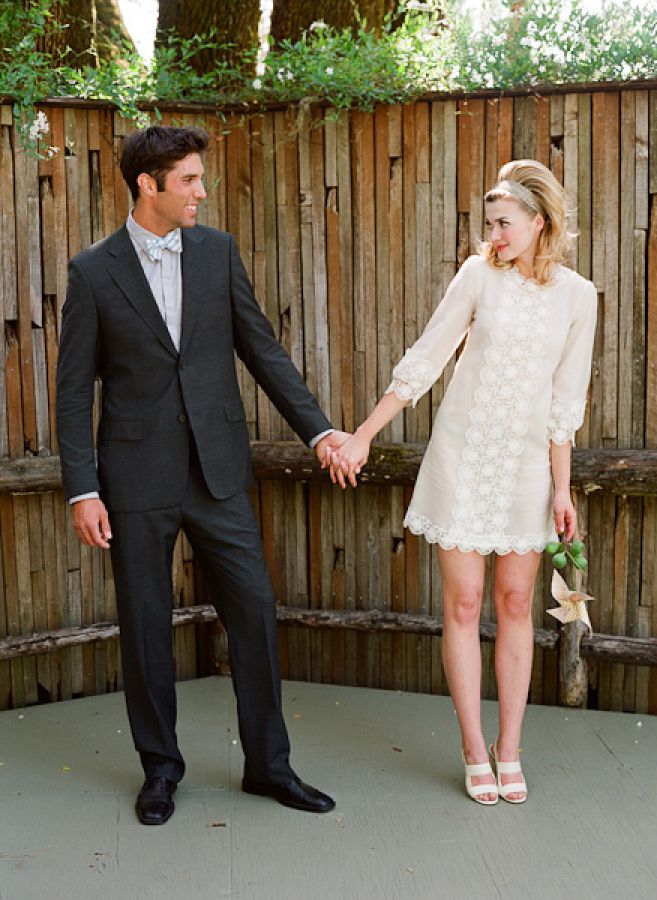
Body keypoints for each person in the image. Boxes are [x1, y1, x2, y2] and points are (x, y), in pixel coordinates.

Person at [56, 125, 350, 825]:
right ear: (147, 185)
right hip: (133, 478)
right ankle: (160, 771)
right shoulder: (93, 271)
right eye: (187, 179)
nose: (201, 191)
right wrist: (82, 486)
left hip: (217, 472)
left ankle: (269, 769)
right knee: (147, 627)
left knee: (252, 611)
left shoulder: (217, 253)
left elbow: (261, 349)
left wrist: (320, 429)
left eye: (199, 177)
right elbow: (72, 392)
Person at [327, 160, 597, 805]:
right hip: (461, 459)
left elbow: (566, 403)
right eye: (490, 224)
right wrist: (364, 434)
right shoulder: (478, 275)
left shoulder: (578, 296)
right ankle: (474, 749)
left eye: (504, 223)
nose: (493, 234)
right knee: (465, 605)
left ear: (540, 222)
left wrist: (562, 490)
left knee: (514, 607)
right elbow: (426, 358)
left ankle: (511, 750)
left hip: (529, 470)